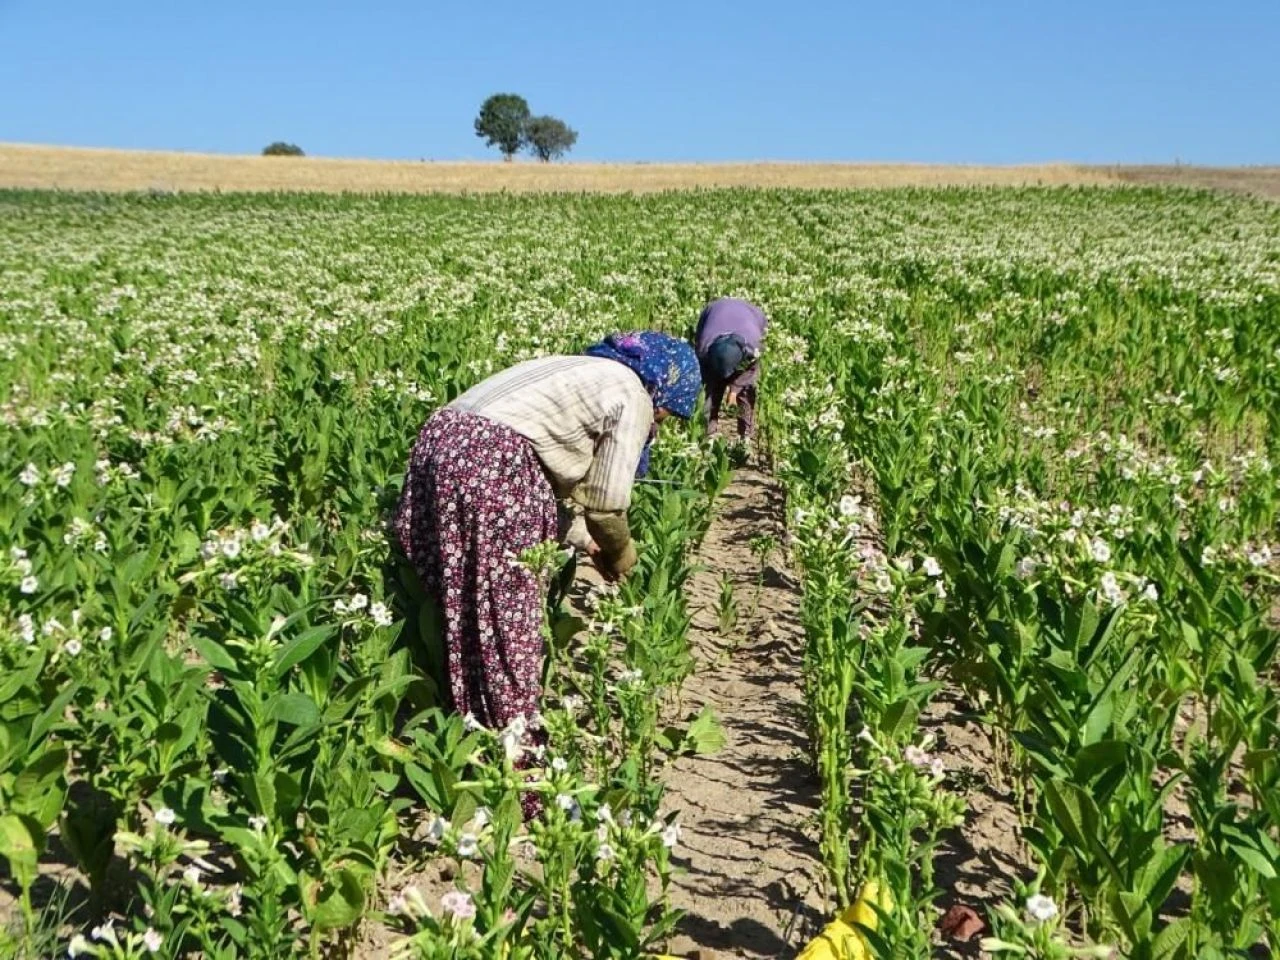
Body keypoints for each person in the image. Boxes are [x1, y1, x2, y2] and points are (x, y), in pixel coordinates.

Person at [394, 332, 700, 814]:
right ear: (664, 391)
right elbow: (606, 506)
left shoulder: (580, 371)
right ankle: (525, 782)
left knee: (462, 610)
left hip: (441, 444)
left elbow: (538, 507)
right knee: (506, 626)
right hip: (493, 460)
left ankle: (469, 738)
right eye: (666, 416)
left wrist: (585, 540)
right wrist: (621, 555)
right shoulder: (634, 393)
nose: (659, 425)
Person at [693, 297, 767, 444]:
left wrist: (734, 391)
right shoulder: (704, 347)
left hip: (751, 314)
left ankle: (744, 438)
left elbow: (750, 371)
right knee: (710, 389)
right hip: (714, 310)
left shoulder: (755, 345)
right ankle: (706, 432)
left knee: (746, 391)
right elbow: (704, 373)